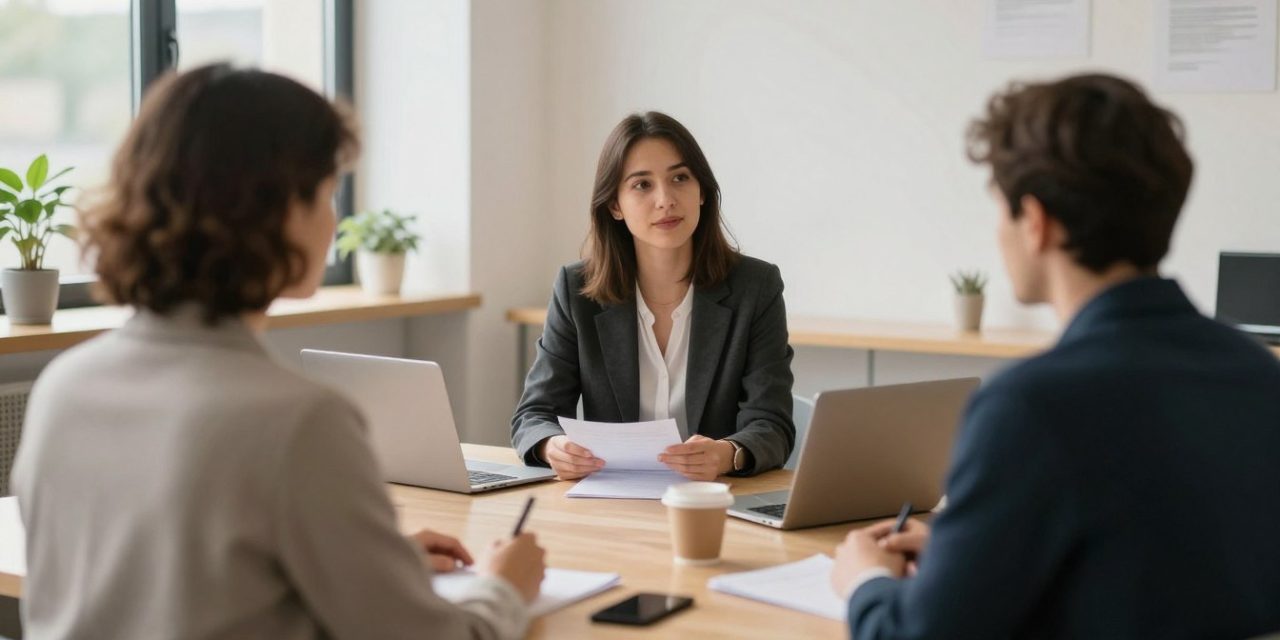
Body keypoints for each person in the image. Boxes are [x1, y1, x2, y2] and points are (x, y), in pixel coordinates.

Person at [10, 64, 545, 640]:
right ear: (276, 210)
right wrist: (503, 589)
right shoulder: (298, 421)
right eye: (326, 191)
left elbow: (171, 584)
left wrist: (371, 563)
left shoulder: (63, 387)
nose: (334, 217)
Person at [829, 73, 1280, 639]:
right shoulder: (1258, 373)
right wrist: (964, 551)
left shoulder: (1030, 406)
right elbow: (1153, 560)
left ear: (1035, 222)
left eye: (1001, 211)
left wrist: (866, 583)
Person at [511, 111, 795, 481]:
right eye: (642, 185)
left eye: (680, 178)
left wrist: (728, 454)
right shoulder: (576, 289)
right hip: (611, 503)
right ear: (615, 205)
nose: (666, 200)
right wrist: (553, 446)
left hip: (713, 501)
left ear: (702, 192)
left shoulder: (755, 286)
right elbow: (533, 415)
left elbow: (772, 422)